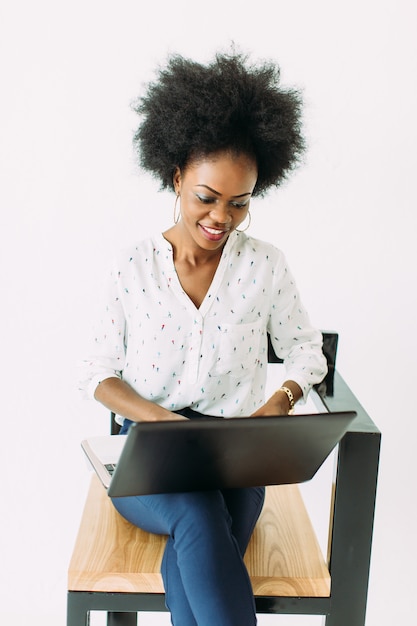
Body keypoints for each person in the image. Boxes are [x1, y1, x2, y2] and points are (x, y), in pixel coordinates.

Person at [80, 50, 328, 626]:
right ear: (175, 176)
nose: (222, 217)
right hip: (151, 452)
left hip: (236, 454)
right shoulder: (132, 267)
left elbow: (307, 351)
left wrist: (276, 405)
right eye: (206, 197)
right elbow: (96, 371)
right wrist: (158, 420)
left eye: (240, 203)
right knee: (196, 514)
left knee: (197, 546)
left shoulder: (265, 266)